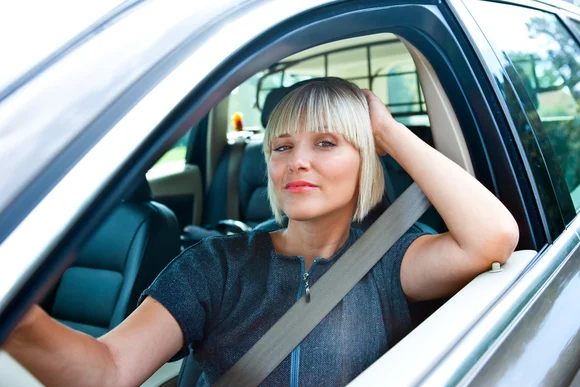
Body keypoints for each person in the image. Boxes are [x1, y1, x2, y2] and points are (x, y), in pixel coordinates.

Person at [3, 77, 519, 386]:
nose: (297, 161)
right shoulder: (215, 265)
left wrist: (385, 128)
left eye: (326, 143)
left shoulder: (393, 262)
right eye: (282, 146)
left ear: (367, 159)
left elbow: (491, 236)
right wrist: (18, 319)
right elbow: (110, 369)